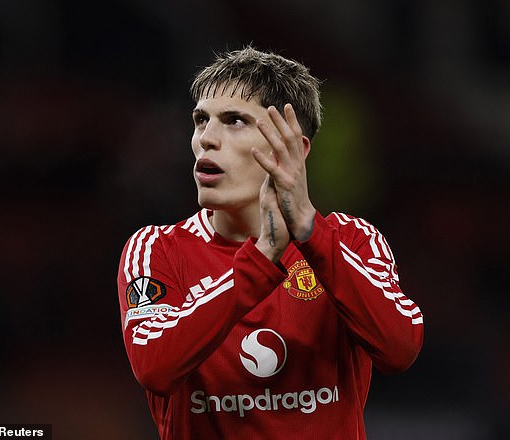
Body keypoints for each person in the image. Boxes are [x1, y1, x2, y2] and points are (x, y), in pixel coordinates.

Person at [117, 45, 423, 439]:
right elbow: (153, 365)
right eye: (200, 120)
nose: (206, 139)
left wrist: (311, 235)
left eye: (235, 121)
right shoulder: (156, 249)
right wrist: (262, 258)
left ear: (293, 148)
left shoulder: (353, 240)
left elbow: (401, 349)